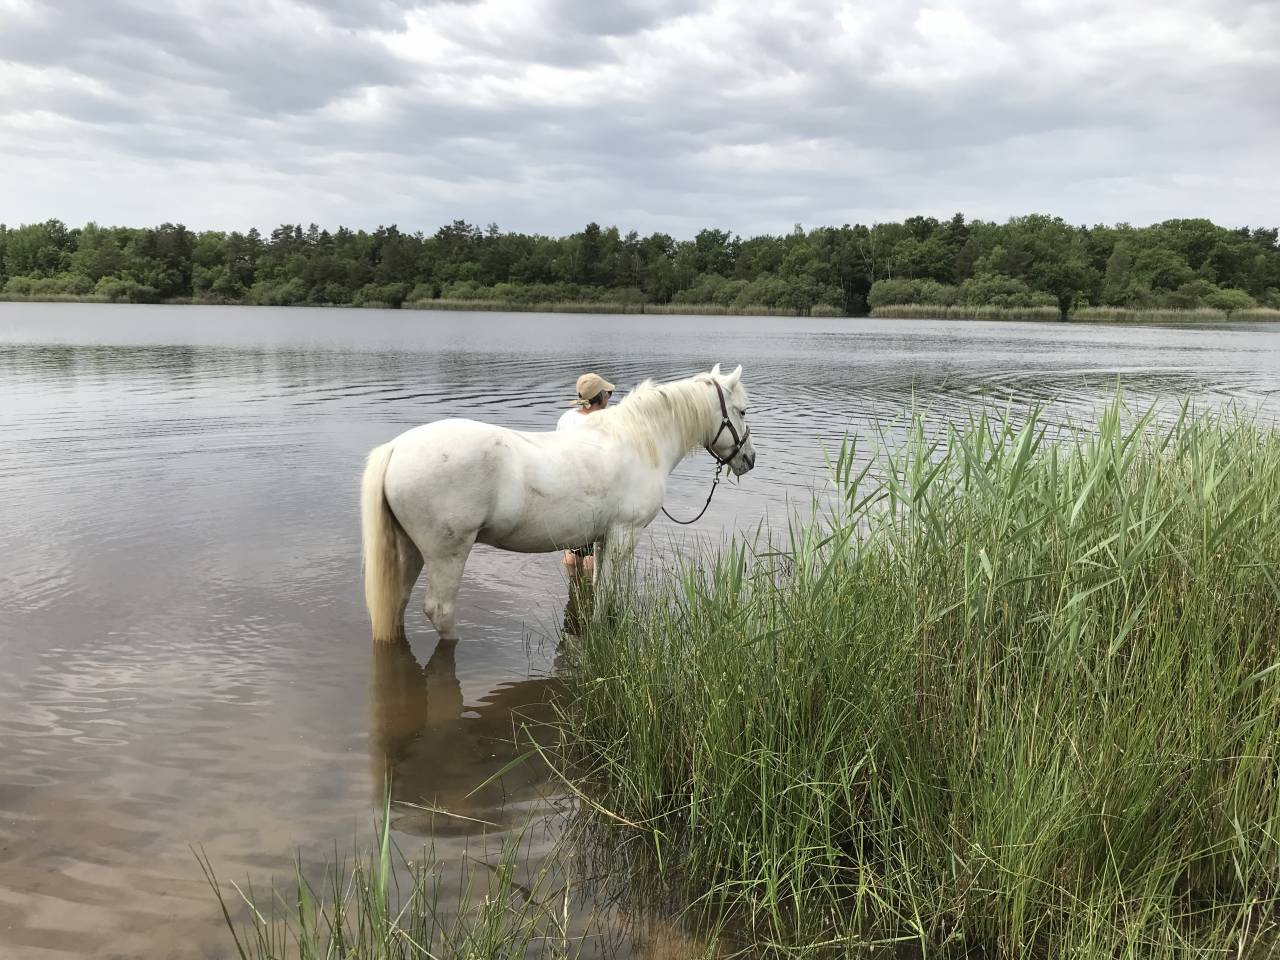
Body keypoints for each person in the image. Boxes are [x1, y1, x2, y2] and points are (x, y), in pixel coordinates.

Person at [556, 371, 614, 574]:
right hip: (594, 495)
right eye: (608, 393)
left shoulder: (566, 417)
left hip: (568, 492)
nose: (609, 397)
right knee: (593, 556)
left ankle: (574, 589)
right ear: (602, 397)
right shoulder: (605, 422)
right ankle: (589, 595)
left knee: (573, 553)